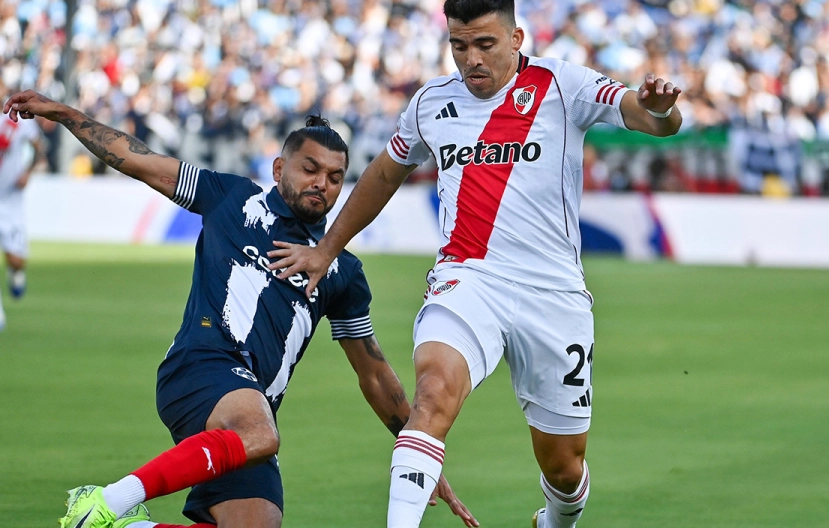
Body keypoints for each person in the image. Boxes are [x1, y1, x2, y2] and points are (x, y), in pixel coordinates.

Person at [266, 0, 683, 528]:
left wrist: (662, 110)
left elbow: (651, 118)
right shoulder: (432, 103)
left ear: (516, 37)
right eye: (459, 45)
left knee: (563, 465)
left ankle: (556, 520)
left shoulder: (563, 85)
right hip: (468, 279)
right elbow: (385, 174)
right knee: (432, 394)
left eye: (485, 44)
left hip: (552, 294)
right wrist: (326, 248)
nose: (471, 59)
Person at [2, 90, 477, 528]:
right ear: (278, 169)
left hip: (249, 414)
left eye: (335, 177)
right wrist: (64, 114)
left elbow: (373, 373)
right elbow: (135, 159)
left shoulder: (342, 270)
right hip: (200, 366)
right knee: (260, 433)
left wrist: (418, 448)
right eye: (309, 169)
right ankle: (108, 500)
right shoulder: (232, 198)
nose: (322, 185)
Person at [0, 107, 43, 332]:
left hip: (10, 200)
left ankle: (15, 271)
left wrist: (28, 171)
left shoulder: (18, 121)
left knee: (16, 260)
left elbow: (38, 147)